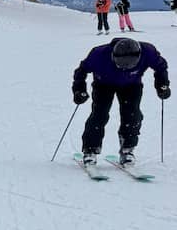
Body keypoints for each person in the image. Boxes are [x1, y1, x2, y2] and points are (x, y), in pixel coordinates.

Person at [73, 37, 170, 165]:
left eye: (130, 65)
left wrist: (162, 85)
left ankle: (127, 149)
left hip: (131, 85)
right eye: (120, 64)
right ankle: (90, 150)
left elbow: (161, 67)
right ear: (113, 55)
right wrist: (79, 90)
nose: (124, 68)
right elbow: (81, 71)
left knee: (132, 115)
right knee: (99, 115)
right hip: (103, 84)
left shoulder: (148, 52)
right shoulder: (98, 54)